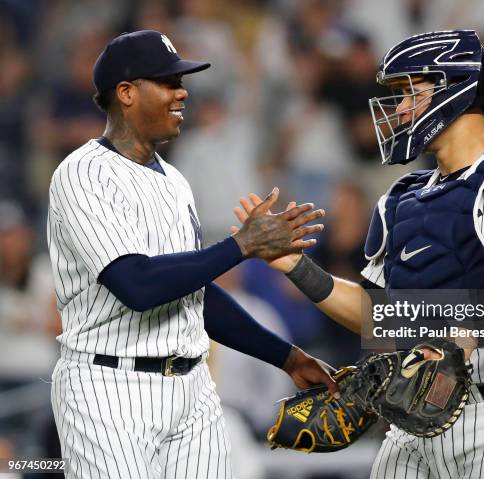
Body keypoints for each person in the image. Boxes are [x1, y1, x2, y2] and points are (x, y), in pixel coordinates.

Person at [235, 30, 484, 478]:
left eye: (410, 93)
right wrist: (296, 267)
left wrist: (468, 333)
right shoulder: (400, 199)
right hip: (414, 412)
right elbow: (379, 316)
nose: (398, 109)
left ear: (454, 90)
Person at [47, 30, 338, 479]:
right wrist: (242, 245)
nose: (182, 91)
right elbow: (137, 285)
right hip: (109, 389)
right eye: (167, 81)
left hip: (193, 389)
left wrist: (288, 358)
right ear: (125, 93)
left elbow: (194, 295)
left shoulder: (174, 181)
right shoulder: (83, 174)